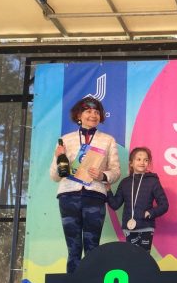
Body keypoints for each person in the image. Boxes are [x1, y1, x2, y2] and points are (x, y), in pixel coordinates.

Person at [51, 96, 121, 273]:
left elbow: (116, 171)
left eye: (96, 112)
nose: (93, 115)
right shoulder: (65, 140)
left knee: (92, 247)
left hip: (95, 196)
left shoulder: (108, 140)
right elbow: (54, 176)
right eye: (88, 111)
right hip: (68, 196)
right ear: (78, 115)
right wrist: (60, 158)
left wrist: (102, 175)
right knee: (73, 248)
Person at [107, 147, 169, 251]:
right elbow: (115, 205)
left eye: (146, 160)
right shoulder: (125, 182)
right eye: (138, 159)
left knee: (144, 257)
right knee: (132, 257)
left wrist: (150, 212)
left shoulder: (153, 181)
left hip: (146, 226)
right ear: (131, 163)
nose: (142, 162)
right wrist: (108, 191)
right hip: (129, 227)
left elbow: (164, 205)